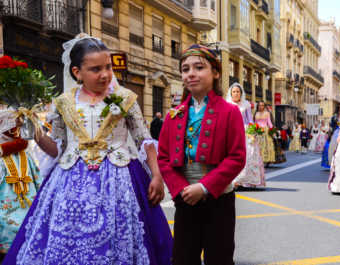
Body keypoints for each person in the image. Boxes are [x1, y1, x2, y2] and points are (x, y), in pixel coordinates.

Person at [4, 35, 173, 264]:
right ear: (77, 72)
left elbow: (143, 138)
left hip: (120, 178)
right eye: (95, 69)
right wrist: (34, 127)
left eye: (108, 67)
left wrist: (156, 174)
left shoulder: (125, 98)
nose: (105, 74)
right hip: (68, 182)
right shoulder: (63, 102)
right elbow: (57, 148)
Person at [158, 44, 246, 265]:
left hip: (219, 199)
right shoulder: (173, 115)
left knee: (220, 257)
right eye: (185, 69)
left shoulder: (230, 111)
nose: (191, 74)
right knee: (183, 258)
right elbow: (163, 158)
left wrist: (204, 187)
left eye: (199, 67)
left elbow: (237, 157)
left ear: (215, 73)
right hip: (185, 198)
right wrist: (180, 189)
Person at [0, 110, 43, 262]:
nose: (16, 131)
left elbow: (37, 179)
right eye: (13, 127)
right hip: (5, 207)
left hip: (27, 202)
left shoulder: (26, 155)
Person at [226, 83, 265, 188]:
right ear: (231, 93)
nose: (236, 93)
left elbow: (250, 120)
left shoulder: (246, 104)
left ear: (241, 93)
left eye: (238, 91)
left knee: (249, 155)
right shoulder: (227, 104)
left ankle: (249, 181)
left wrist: (253, 131)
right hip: (232, 133)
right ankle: (234, 181)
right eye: (234, 92)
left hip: (245, 132)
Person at [321, 103, 340, 169]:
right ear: (339, 108)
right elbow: (331, 125)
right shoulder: (335, 116)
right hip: (336, 133)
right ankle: (332, 163)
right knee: (332, 147)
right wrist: (330, 133)